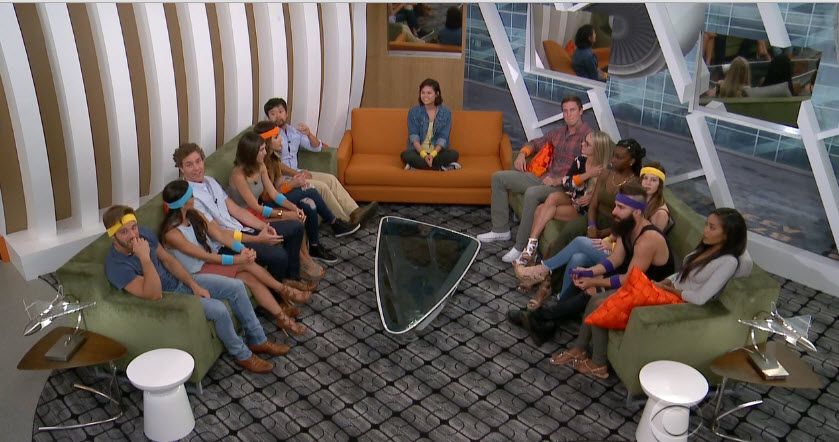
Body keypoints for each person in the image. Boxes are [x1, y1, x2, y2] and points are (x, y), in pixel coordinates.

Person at [551, 208, 751, 378]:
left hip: (678, 303)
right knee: (596, 297)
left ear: (727, 235)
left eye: (712, 228)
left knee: (600, 304)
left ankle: (598, 364)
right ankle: (579, 348)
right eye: (707, 224)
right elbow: (681, 275)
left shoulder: (728, 262)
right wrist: (665, 282)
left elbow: (700, 298)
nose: (705, 230)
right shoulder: (705, 249)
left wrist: (670, 289)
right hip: (665, 290)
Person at [102, 205, 287, 374]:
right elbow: (154, 294)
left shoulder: (144, 234)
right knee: (219, 309)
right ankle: (243, 355)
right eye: (124, 232)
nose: (133, 235)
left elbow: (168, 260)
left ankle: (258, 340)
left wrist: (193, 285)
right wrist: (144, 258)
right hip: (167, 297)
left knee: (237, 287)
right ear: (112, 236)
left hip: (179, 281)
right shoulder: (116, 267)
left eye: (134, 227)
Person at [509, 183, 674, 345]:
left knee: (592, 289)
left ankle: (538, 318)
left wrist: (594, 280)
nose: (614, 211)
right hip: (631, 276)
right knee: (580, 265)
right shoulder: (627, 225)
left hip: (648, 289)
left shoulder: (647, 240)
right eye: (616, 205)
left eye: (621, 207)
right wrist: (588, 273)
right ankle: (545, 323)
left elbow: (629, 280)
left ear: (637, 212)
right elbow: (615, 260)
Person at [159, 180, 309, 336]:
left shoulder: (195, 214)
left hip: (208, 262)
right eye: (191, 196)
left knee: (250, 278)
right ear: (183, 204)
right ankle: (284, 290)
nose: (194, 197)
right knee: (248, 265)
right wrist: (238, 260)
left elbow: (220, 235)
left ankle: (281, 317)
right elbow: (205, 256)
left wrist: (242, 249)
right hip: (198, 271)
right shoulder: (172, 234)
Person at [514, 159, 666, 308]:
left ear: (660, 184)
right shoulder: (638, 200)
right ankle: (562, 301)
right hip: (619, 250)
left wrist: (612, 246)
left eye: (653, 180)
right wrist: (610, 239)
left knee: (580, 242)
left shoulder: (659, 212)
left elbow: (644, 245)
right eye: (645, 178)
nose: (648, 183)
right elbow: (623, 231)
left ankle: (542, 270)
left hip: (630, 263)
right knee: (577, 257)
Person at [478, 94, 593, 264]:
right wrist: (522, 154)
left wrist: (558, 180)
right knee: (498, 178)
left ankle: (520, 247)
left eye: (572, 110)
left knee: (532, 193)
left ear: (581, 111)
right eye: (565, 111)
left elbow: (592, 168)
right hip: (544, 177)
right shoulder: (558, 132)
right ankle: (501, 229)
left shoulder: (589, 138)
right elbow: (536, 142)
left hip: (563, 186)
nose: (568, 115)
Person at [173, 142, 308, 284]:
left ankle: (292, 279)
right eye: (189, 165)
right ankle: (280, 292)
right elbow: (219, 233)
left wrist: (264, 227)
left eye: (198, 161)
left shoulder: (210, 181)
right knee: (279, 256)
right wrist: (258, 239)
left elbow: (237, 210)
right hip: (225, 244)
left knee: (296, 228)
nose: (196, 168)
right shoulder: (189, 198)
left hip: (241, 228)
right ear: (181, 169)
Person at [229, 131, 358, 265]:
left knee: (299, 213)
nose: (265, 152)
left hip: (259, 211)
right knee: (295, 218)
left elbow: (274, 194)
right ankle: (306, 258)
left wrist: (293, 208)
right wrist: (284, 213)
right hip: (245, 218)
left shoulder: (260, 165)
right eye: (261, 150)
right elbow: (256, 207)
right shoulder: (238, 176)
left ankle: (306, 257)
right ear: (251, 153)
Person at [263, 98, 379, 228]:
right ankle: (346, 221)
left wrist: (309, 134)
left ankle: (355, 212)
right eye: (273, 114)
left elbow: (316, 147)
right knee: (322, 187)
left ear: (287, 113)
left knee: (331, 179)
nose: (278, 116)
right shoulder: (270, 137)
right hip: (286, 178)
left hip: (298, 172)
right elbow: (275, 164)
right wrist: (296, 174)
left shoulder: (293, 132)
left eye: (280, 112)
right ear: (268, 118)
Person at [515, 130, 614, 266]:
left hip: (583, 209)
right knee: (553, 197)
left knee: (540, 209)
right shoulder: (580, 160)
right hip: (572, 197)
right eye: (584, 141)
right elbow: (567, 182)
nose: (582, 144)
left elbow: (604, 196)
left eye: (587, 144)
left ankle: (530, 250)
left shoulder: (606, 170)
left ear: (597, 149)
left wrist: (591, 196)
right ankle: (531, 247)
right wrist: (587, 174)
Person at [402, 78, 460, 171]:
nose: (425, 96)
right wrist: (424, 155)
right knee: (406, 155)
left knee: (454, 154)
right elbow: (414, 137)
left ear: (437, 94)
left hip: (437, 153)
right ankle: (441, 167)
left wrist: (432, 155)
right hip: (419, 152)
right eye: (423, 92)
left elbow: (443, 137)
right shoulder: (413, 112)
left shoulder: (446, 112)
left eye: (429, 93)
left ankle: (416, 166)